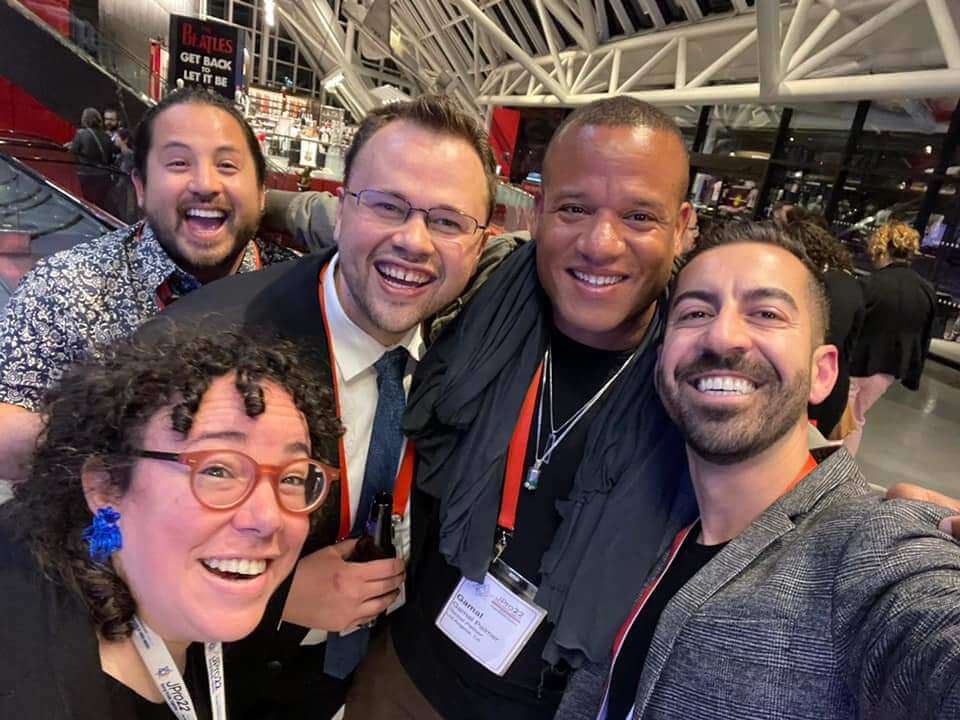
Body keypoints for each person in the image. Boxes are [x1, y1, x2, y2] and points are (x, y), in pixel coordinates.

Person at [143, 94, 501, 717]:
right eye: (387, 206)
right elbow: (105, 543)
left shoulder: (467, 349)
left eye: (447, 221)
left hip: (365, 685)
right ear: (341, 210)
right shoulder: (208, 344)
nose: (414, 241)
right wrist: (274, 592)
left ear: (479, 242)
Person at [349, 97, 695, 720]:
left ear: (683, 227)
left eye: (639, 215)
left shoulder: (699, 379)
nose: (600, 242)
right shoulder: (471, 303)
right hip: (404, 675)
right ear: (536, 213)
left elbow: (784, 495)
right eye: (574, 208)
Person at [555, 221, 960, 720]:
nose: (723, 336)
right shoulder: (649, 520)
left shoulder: (871, 547)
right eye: (696, 312)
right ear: (662, 364)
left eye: (766, 313)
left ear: (823, 374)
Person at [0, 330, 341, 718]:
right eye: (217, 470)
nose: (268, 518)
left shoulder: (160, 598)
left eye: (293, 477)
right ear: (105, 485)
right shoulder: (35, 692)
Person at [0, 87, 298, 483]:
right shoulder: (65, 286)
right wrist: (126, 436)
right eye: (178, 163)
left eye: (228, 165)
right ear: (140, 187)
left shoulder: (298, 292)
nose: (205, 184)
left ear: (262, 193)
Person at [847, 221, 936, 454]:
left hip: (854, 365)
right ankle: (839, 474)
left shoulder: (869, 284)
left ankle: (822, 472)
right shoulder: (925, 289)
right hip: (887, 372)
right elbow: (924, 335)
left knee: (839, 420)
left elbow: (851, 324)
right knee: (855, 419)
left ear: (880, 248)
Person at [781, 220, 864, 436]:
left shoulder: (826, 288)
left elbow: (821, 340)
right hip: (830, 388)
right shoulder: (846, 282)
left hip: (813, 393)